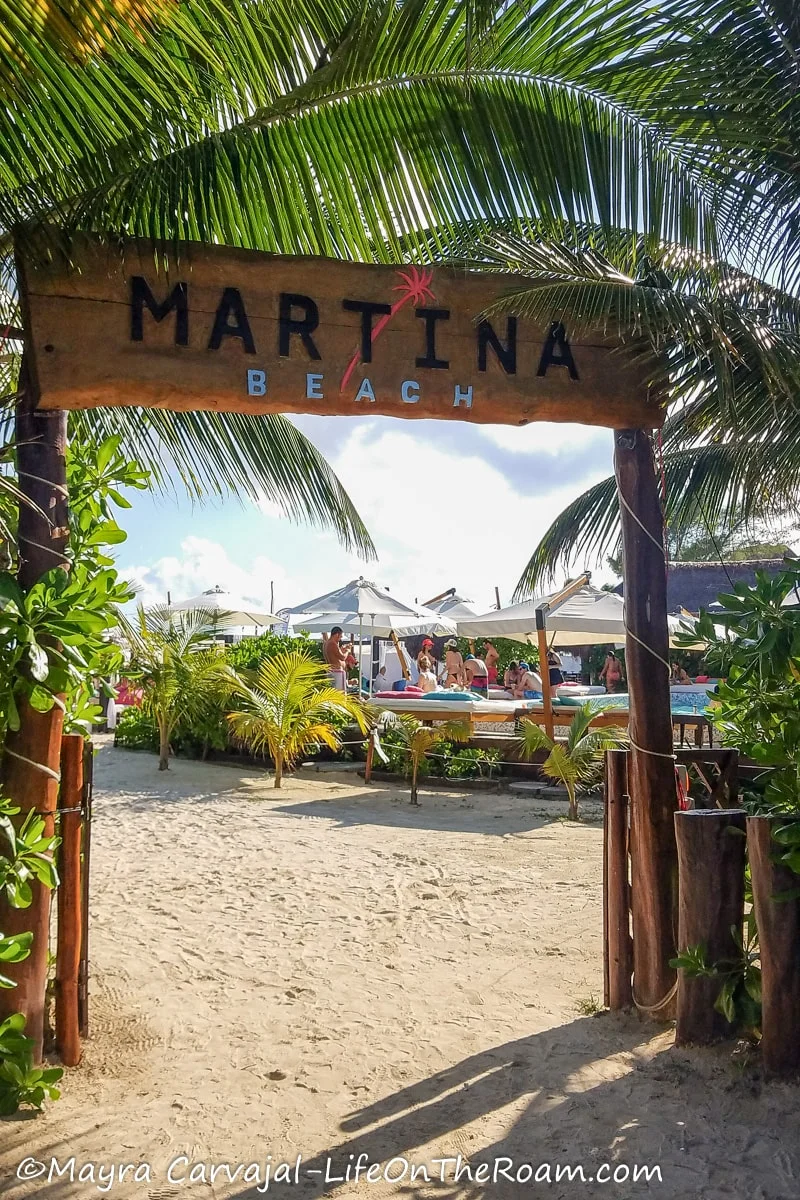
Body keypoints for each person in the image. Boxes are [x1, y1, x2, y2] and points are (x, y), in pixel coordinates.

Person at [323, 626, 350, 692]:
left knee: (334, 692)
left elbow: (335, 654)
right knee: (340, 693)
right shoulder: (332, 643)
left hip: (332, 671)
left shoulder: (327, 643)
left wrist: (342, 650)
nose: (340, 639)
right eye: (340, 636)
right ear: (337, 634)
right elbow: (343, 657)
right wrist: (347, 651)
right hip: (336, 672)